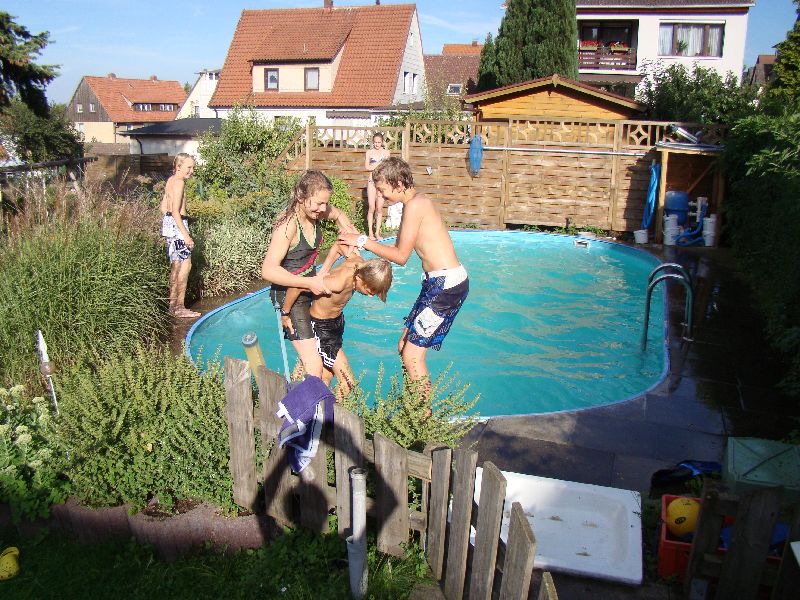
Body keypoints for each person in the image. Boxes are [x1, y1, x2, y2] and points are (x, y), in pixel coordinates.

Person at [338, 157, 469, 410]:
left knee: (412, 356)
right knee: (404, 347)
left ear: (398, 184)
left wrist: (362, 240)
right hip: (434, 284)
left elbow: (400, 256)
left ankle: (422, 421)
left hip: (447, 286)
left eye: (383, 190)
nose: (381, 195)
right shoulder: (415, 204)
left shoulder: (416, 205)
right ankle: (413, 410)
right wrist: (359, 241)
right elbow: (396, 249)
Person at [261, 170, 357, 379]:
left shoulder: (316, 211)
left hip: (307, 288)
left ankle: (296, 391)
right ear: (301, 197)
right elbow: (268, 270)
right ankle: (296, 401)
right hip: (288, 295)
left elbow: (339, 215)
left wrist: (350, 235)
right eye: (319, 203)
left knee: (313, 359)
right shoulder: (287, 225)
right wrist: (308, 282)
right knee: (314, 366)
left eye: (325, 203)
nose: (323, 209)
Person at [280, 244, 393, 398]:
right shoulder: (337, 283)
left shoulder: (358, 262)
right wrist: (285, 313)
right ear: (359, 278)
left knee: (326, 376)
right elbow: (297, 287)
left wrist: (325, 267)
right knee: (348, 382)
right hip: (321, 329)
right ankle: (311, 406)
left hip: (335, 325)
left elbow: (339, 245)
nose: (371, 295)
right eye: (369, 290)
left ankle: (316, 407)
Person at [159, 153, 199, 318]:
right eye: (189, 167)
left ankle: (172, 306)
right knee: (185, 265)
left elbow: (163, 207)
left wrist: (171, 223)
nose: (191, 171)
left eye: (193, 167)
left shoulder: (170, 180)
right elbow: (175, 211)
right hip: (178, 225)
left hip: (170, 225)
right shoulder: (180, 182)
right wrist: (186, 235)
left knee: (176, 266)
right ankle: (180, 307)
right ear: (178, 166)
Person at [364, 132, 391, 240]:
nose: (377, 144)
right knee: (372, 207)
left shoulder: (386, 153)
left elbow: (387, 168)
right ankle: (370, 232)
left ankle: (377, 232)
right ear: (373, 142)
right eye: (375, 142)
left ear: (382, 142)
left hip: (382, 182)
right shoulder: (369, 152)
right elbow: (367, 167)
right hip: (371, 181)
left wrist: (375, 166)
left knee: (379, 208)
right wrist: (379, 164)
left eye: (379, 142)